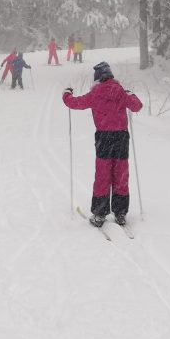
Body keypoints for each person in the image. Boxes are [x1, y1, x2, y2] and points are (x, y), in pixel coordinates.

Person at [63, 61, 142, 226]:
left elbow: (74, 103)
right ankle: (120, 213)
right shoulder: (120, 92)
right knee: (121, 174)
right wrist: (131, 94)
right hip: (121, 137)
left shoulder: (96, 93)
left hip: (104, 138)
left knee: (103, 175)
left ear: (98, 78)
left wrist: (66, 94)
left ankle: (100, 214)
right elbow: (137, 106)